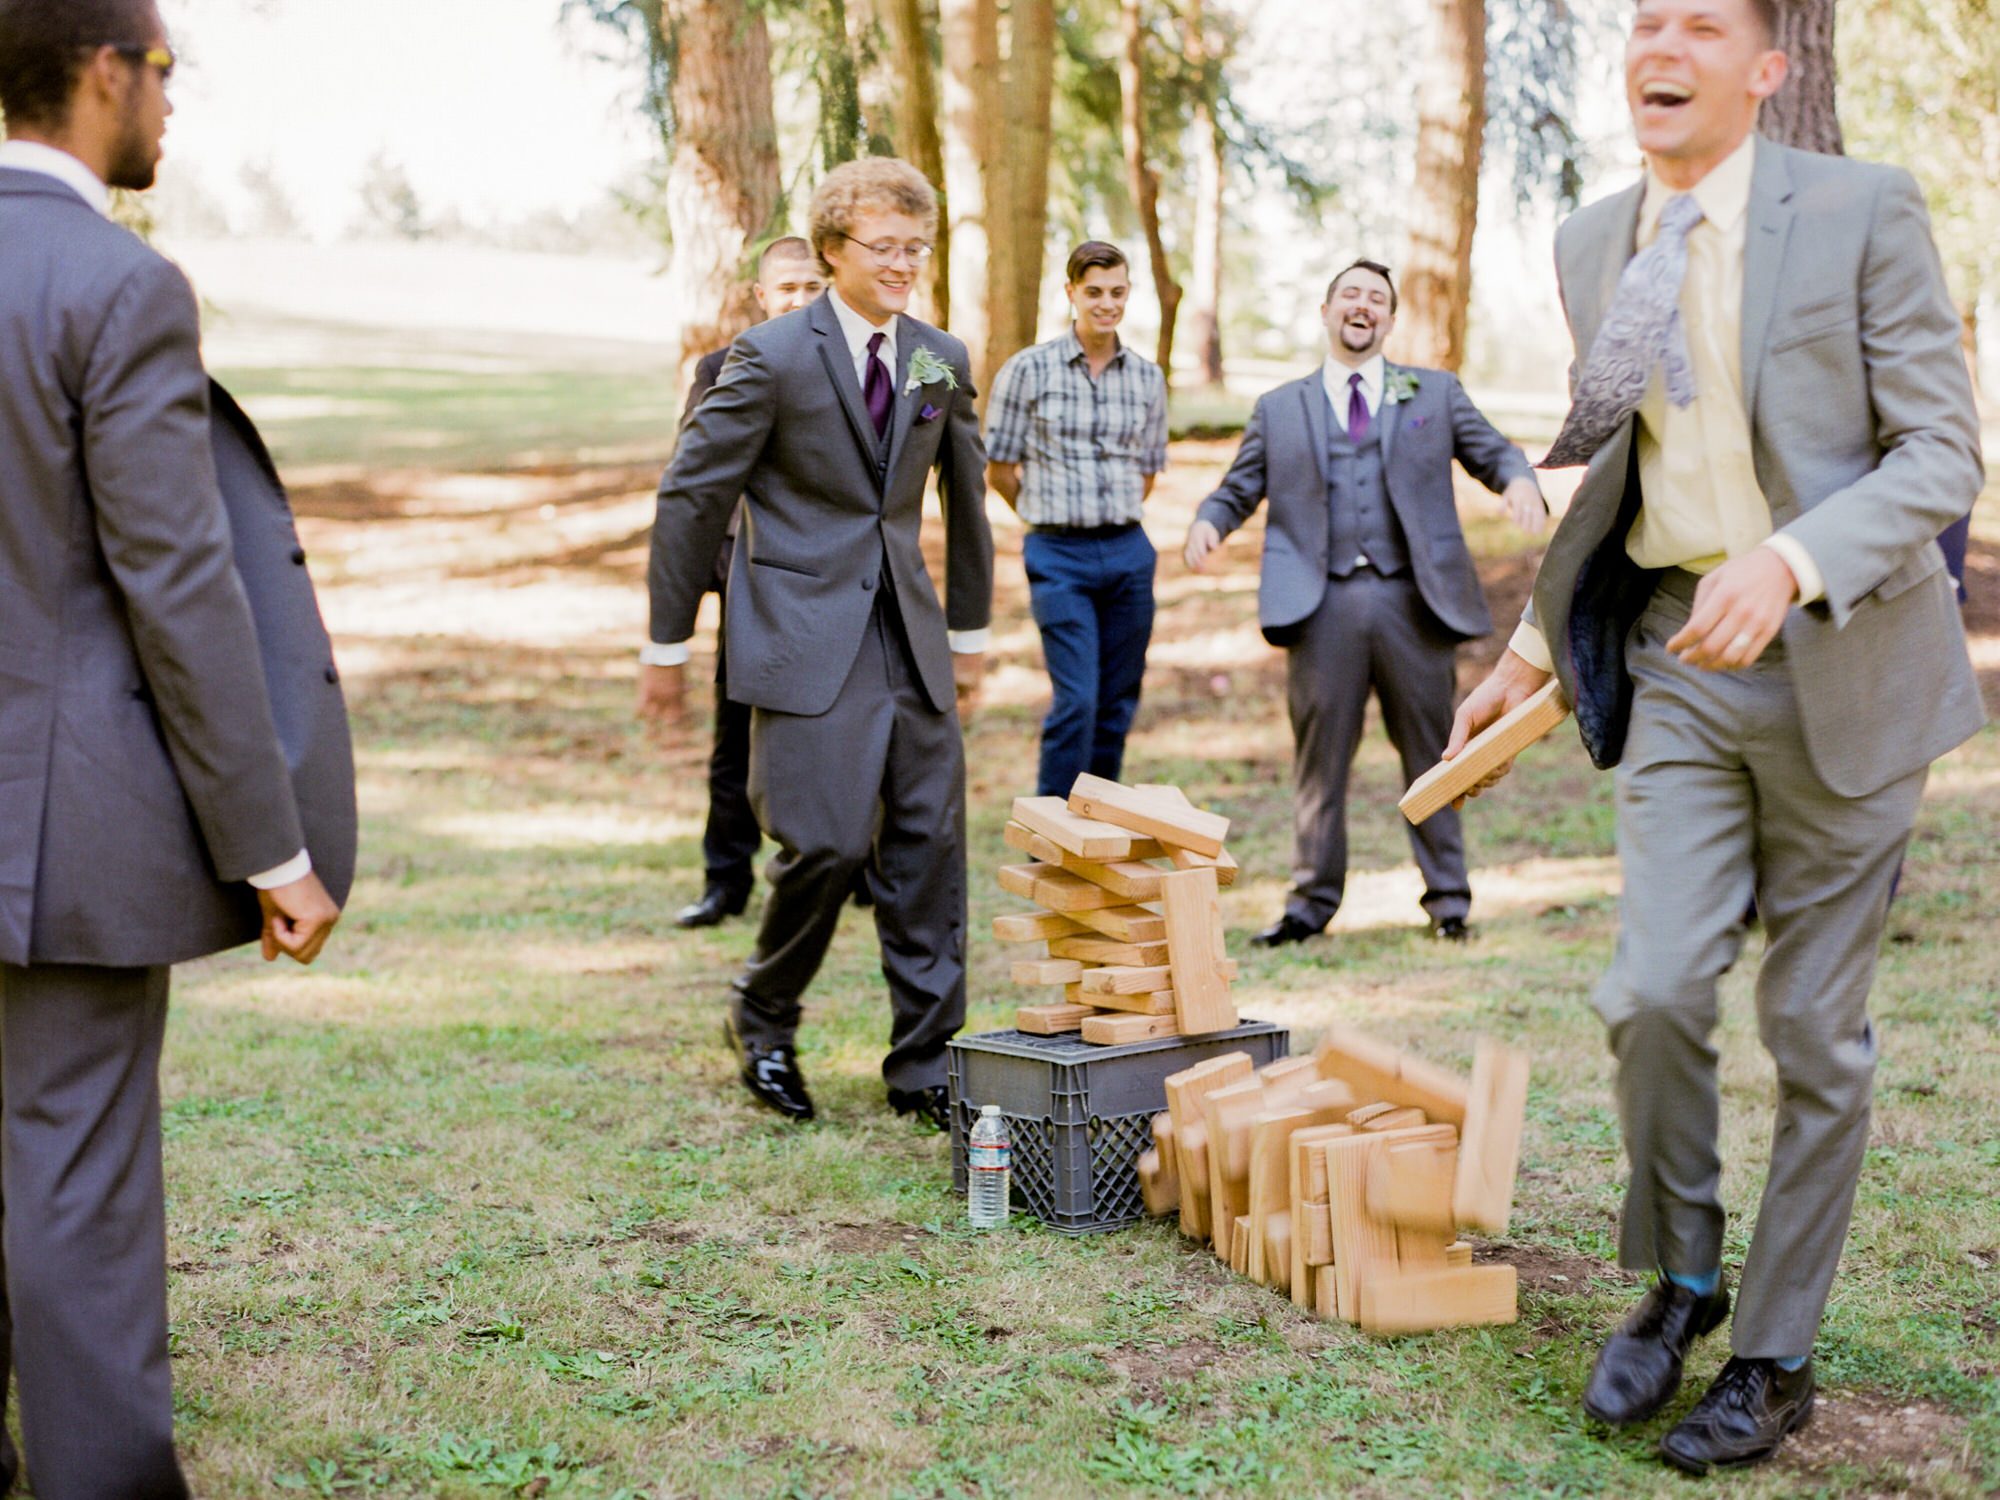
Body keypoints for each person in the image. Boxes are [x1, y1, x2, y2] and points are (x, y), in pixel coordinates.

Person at [1446, 0, 1983, 1473]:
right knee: (1652, 990)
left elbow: (1942, 449)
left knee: (1814, 1033)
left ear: (1764, 67)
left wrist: (1797, 559)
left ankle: (1777, 1354)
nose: (1656, 46)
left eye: (1698, 22)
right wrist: (1534, 646)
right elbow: (1611, 472)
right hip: (1676, 656)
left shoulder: (1866, 211)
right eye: (1641, 20)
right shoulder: (1587, 241)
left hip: (1849, 667)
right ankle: (1682, 1273)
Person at [0, 1, 354, 1493]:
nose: (170, 107)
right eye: (164, 73)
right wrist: (270, 844)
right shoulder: (118, 284)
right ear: (104, 74)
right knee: (74, 1180)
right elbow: (179, 588)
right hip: (56, 841)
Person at [639, 158, 992, 1130]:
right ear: (832, 250)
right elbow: (691, 496)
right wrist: (666, 646)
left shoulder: (938, 357)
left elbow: (965, 503)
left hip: (908, 639)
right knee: (826, 844)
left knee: (929, 850)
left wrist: (968, 635)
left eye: (916, 249)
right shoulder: (768, 357)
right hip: (800, 636)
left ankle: (926, 1069)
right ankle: (762, 1014)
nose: (903, 266)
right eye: (884, 248)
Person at [1184, 260, 1545, 948]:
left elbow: (1493, 451)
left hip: (1414, 604)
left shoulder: (1433, 394)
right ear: (1326, 311)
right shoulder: (1279, 408)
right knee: (1320, 761)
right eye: (1351, 294)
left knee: (1437, 751)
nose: (1363, 306)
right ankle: (1308, 905)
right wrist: (1208, 521)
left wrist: (1518, 481)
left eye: (1377, 298)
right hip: (1320, 610)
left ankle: (1448, 901)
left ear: (1389, 320)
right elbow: (1238, 488)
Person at [669, 238, 826, 929]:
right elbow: (696, 484)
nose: (800, 299)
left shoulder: (856, 369)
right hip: (750, 581)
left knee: (840, 731)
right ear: (761, 296)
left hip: (831, 581)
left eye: (813, 287)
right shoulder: (719, 369)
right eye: (787, 287)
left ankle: (853, 869)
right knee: (737, 737)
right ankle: (723, 881)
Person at [984, 241, 1169, 797]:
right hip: (1057, 555)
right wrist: (1045, 517)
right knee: (1077, 700)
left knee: (1117, 701)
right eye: (1094, 292)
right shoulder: (1027, 370)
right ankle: (1053, 835)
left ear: (1128, 294)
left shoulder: (1146, 378)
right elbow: (1000, 468)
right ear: (1071, 293)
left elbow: (1148, 469)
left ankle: (1101, 819)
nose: (1105, 304)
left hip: (1128, 551)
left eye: (1116, 292)